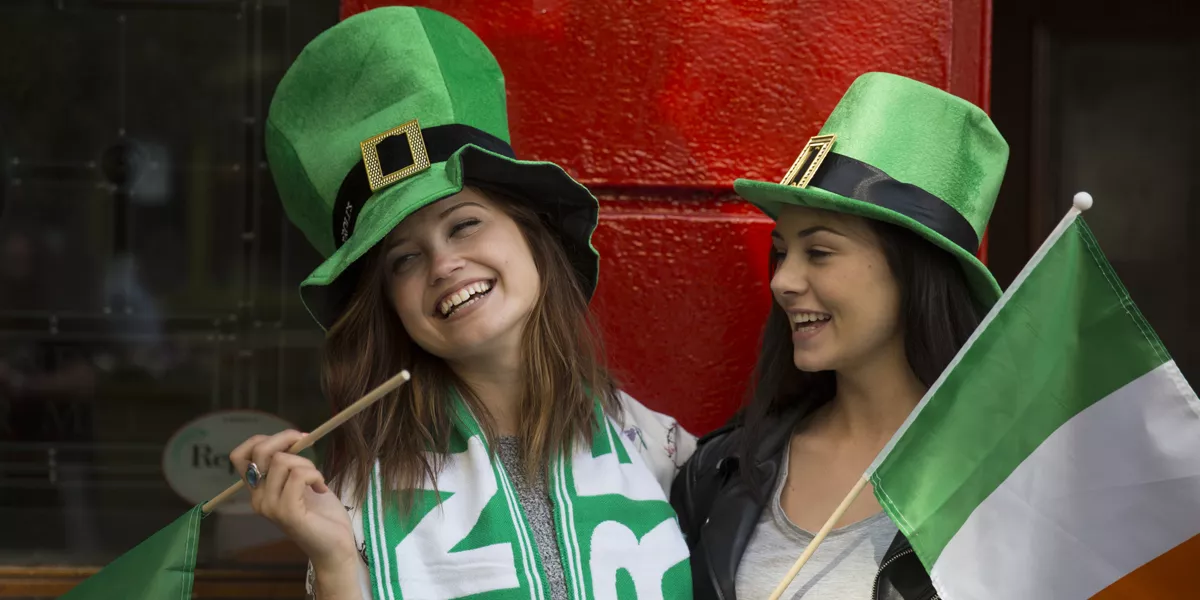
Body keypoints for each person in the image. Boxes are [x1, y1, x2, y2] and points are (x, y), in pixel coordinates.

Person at [228, 7, 695, 600]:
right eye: (403, 258)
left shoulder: (660, 450)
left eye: (465, 224)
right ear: (389, 305)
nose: (444, 263)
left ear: (532, 233)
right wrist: (336, 561)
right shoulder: (354, 501)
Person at [671, 72, 1009, 600]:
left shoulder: (1010, 486)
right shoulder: (721, 471)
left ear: (913, 272)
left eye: (820, 252)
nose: (783, 281)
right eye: (781, 252)